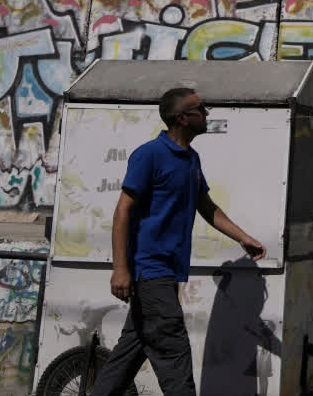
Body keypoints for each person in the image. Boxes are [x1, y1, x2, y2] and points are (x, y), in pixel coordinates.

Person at [90, 87, 266, 396]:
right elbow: (122, 212)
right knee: (175, 356)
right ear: (183, 118)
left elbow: (207, 207)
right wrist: (120, 269)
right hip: (151, 271)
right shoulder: (149, 155)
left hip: (168, 273)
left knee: (127, 357)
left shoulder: (191, 159)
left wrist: (243, 238)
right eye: (201, 108)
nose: (207, 113)